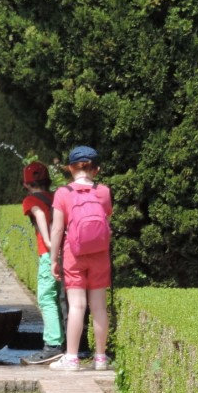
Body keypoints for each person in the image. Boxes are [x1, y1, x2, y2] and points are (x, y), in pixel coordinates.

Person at [48, 146, 113, 371]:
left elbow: (57, 229)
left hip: (73, 254)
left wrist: (53, 258)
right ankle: (101, 358)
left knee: (77, 306)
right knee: (99, 307)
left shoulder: (63, 193)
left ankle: (72, 358)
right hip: (100, 255)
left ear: (69, 168)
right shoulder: (103, 191)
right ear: (96, 169)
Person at [20, 162, 64, 365]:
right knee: (62, 298)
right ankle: (67, 344)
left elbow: (38, 213)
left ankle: (52, 346)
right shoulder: (56, 197)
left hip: (49, 254)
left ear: (26, 184)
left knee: (46, 298)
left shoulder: (30, 199)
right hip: (67, 253)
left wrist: (48, 241)